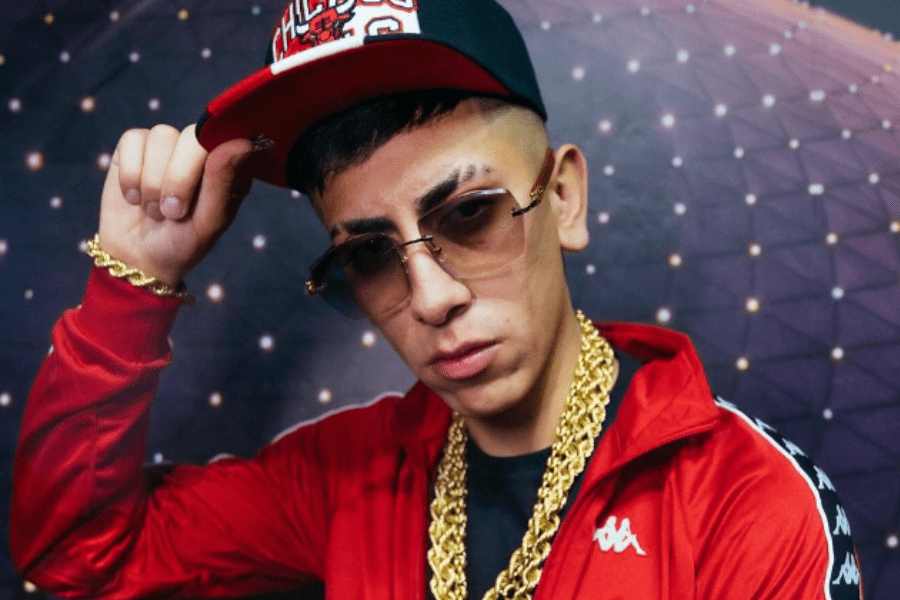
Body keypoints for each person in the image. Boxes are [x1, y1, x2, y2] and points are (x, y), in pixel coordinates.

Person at [11, 0, 863, 598]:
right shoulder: (346, 476)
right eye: (369, 256)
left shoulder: (746, 504)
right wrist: (134, 281)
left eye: (469, 214)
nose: (431, 296)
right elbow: (78, 554)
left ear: (564, 197)